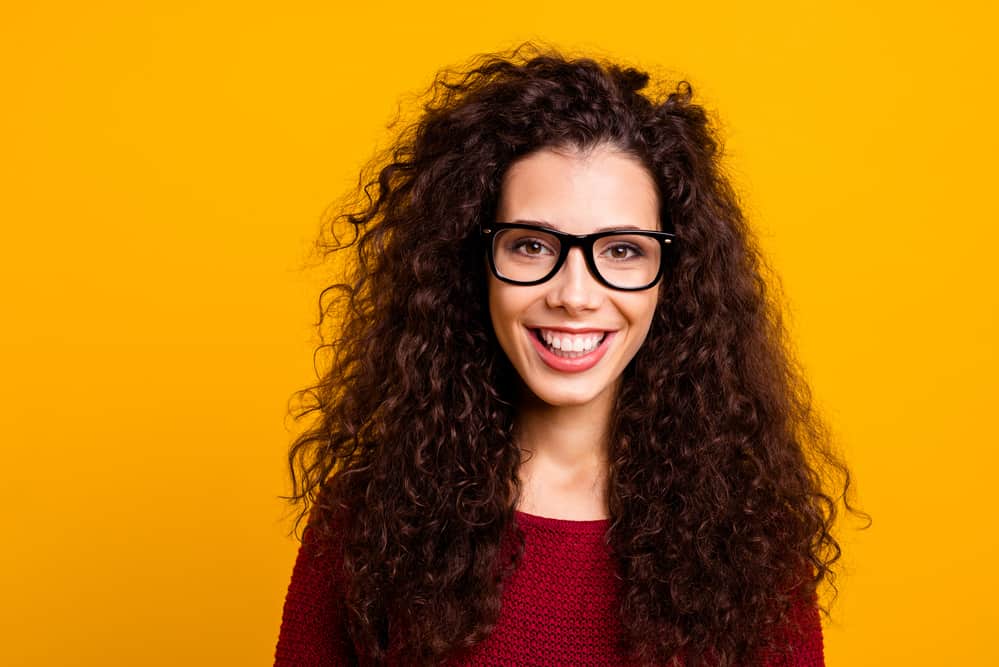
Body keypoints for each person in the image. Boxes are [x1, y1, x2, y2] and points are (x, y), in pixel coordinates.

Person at [274, 44, 864, 666]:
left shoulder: (749, 534)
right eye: (530, 245)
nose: (576, 296)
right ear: (473, 264)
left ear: (676, 275)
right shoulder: (372, 516)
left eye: (622, 250)